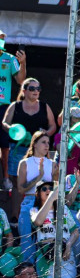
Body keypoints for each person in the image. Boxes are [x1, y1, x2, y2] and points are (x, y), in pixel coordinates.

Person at [3, 78, 56, 222]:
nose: (36, 91)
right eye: (32, 89)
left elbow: (53, 126)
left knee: (42, 181)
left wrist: (46, 134)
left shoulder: (45, 106)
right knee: (17, 183)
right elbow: (5, 123)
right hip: (18, 148)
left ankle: (38, 215)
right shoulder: (16, 105)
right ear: (24, 90)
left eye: (38, 89)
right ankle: (14, 217)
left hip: (39, 150)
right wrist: (13, 129)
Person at [31, 180, 79, 278]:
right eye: (44, 189)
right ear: (38, 193)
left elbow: (75, 231)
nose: (48, 190)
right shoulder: (35, 209)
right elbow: (38, 221)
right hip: (46, 257)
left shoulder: (63, 208)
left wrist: (69, 245)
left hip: (65, 255)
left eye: (51, 189)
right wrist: (51, 199)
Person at [16, 130, 54, 263]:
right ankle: (28, 273)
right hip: (29, 201)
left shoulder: (52, 164)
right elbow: (21, 189)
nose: (47, 145)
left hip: (46, 204)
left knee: (45, 240)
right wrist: (39, 176)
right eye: (43, 142)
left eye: (48, 143)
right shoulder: (25, 163)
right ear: (35, 144)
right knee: (27, 241)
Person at [0, 31, 27, 190]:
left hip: (3, 105)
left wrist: (22, 63)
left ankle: (6, 178)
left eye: (3, 39)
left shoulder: (9, 59)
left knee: (4, 144)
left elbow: (21, 81)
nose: (1, 41)